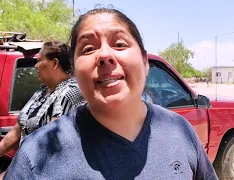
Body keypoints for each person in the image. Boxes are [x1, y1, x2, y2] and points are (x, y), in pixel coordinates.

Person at [4, 7, 218, 180]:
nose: (105, 55)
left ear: (144, 63)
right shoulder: (36, 154)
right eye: (88, 49)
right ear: (75, 73)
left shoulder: (180, 131)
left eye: (119, 43)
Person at [0, 41, 85, 177]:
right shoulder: (42, 90)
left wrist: (9, 174)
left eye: (39, 60)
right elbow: (17, 131)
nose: (36, 65)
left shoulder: (70, 91)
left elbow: (48, 143)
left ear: (54, 63)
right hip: (26, 167)